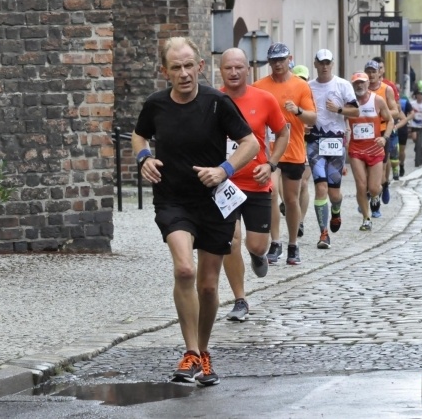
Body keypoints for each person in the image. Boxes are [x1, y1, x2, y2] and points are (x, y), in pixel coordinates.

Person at [132, 37, 260, 386]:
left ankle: (202, 353)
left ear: (200, 67)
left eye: (190, 65)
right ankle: (189, 351)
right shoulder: (156, 105)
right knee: (185, 269)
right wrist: (144, 158)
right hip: (173, 199)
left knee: (206, 285)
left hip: (213, 202)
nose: (185, 73)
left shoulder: (217, 103)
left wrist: (224, 170)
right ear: (165, 72)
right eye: (177, 67)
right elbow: (139, 136)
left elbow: (250, 143)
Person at [219, 48, 290, 322]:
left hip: (257, 182)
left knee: (257, 245)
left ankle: (258, 256)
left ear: (248, 69)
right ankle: (240, 300)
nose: (234, 73)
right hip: (225, 184)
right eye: (228, 68)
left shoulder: (264, 99)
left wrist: (271, 164)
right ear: (221, 70)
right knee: (230, 240)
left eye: (239, 67)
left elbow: (284, 132)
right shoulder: (213, 100)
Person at [254, 43, 316, 265]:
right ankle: (275, 242)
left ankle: (293, 245)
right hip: (270, 154)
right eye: (273, 61)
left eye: (281, 60)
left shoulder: (300, 86)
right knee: (270, 194)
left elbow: (312, 118)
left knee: (291, 200)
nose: (278, 64)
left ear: (290, 59)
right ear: (269, 62)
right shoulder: (260, 86)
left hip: (294, 151)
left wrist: (297, 111)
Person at [306, 49, 358, 249]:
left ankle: (336, 210)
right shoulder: (308, 87)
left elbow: (355, 111)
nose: (325, 66)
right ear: (315, 64)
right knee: (320, 187)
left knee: (334, 194)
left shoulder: (343, 85)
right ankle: (323, 233)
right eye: (321, 62)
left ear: (332, 64)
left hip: (335, 142)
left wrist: (338, 109)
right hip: (315, 141)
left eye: (328, 62)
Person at [346, 71, 393, 232]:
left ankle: (375, 195)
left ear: (367, 84)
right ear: (352, 85)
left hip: (375, 148)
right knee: (361, 185)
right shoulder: (349, 103)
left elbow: (390, 120)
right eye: (356, 83)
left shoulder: (377, 100)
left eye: (362, 83)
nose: (359, 85)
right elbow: (342, 122)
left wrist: (385, 138)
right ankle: (366, 218)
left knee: (374, 187)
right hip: (356, 150)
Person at [364, 60, 398, 216]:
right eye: (368, 72)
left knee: (381, 171)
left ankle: (382, 187)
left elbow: (395, 112)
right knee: (364, 171)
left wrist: (379, 114)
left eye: (373, 71)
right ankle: (367, 196)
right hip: (363, 135)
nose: (371, 75)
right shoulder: (359, 89)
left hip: (382, 134)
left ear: (379, 73)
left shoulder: (386, 89)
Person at [291, 64, 313, 240]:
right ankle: (290, 208)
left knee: (303, 185)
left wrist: (309, 128)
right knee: (289, 191)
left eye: (304, 79)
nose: (301, 82)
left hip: (305, 146)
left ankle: (300, 221)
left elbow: (316, 119)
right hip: (287, 147)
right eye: (298, 79)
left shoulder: (309, 95)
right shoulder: (286, 95)